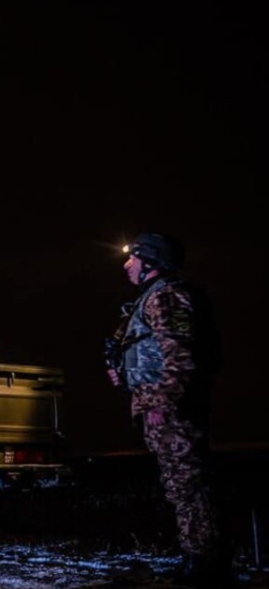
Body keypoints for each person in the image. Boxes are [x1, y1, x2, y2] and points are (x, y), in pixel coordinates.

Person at [106, 233, 232, 585]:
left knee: (188, 484)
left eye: (132, 258)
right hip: (157, 406)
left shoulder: (167, 296)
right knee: (180, 484)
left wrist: (164, 401)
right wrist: (124, 373)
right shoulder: (153, 298)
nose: (126, 264)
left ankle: (205, 563)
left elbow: (180, 355)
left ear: (151, 262)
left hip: (170, 409)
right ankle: (199, 558)